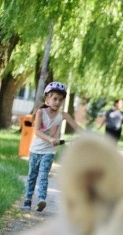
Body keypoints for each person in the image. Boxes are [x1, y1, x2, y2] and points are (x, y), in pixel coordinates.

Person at [23, 82, 82, 212]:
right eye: (55, 98)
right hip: (35, 150)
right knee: (32, 175)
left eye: (60, 100)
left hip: (49, 151)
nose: (57, 102)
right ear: (47, 99)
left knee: (43, 175)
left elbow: (76, 127)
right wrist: (50, 139)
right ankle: (27, 199)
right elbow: (37, 131)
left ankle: (41, 200)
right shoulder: (40, 112)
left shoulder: (63, 115)